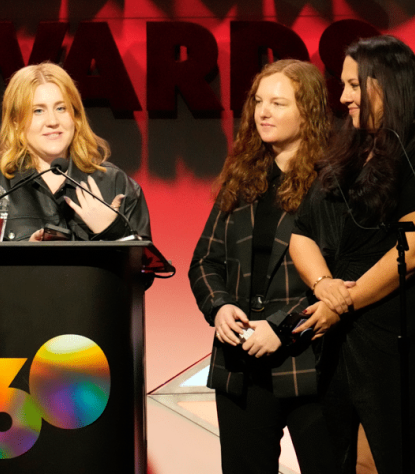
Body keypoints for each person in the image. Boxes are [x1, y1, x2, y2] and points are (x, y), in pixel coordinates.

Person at [189, 59, 338, 474]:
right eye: (258, 101)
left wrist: (281, 328)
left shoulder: (331, 181)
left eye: (278, 102)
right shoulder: (242, 175)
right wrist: (219, 306)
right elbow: (204, 260)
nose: (263, 112)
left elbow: (336, 280)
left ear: (306, 112)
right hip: (239, 363)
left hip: (311, 361)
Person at [289, 35, 415, 474]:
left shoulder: (412, 152)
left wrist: (344, 303)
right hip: (335, 337)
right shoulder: (344, 152)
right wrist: (326, 288)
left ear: (387, 84)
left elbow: (413, 247)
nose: (343, 98)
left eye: (354, 85)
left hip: (388, 335)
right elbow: (300, 232)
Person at [0, 62, 151, 242]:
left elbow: (143, 274)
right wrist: (25, 257)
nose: (53, 121)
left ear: (76, 117)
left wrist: (111, 232)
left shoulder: (115, 184)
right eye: (38, 111)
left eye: (61, 108)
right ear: (17, 122)